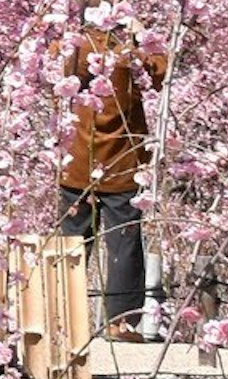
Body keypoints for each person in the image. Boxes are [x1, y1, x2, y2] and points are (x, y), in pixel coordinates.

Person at [58, 33, 168, 337]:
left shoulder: (74, 50)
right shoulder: (129, 56)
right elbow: (161, 72)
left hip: (76, 163)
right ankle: (119, 321)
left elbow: (54, 71)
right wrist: (142, 34)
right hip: (121, 165)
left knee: (71, 243)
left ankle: (64, 315)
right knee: (124, 245)